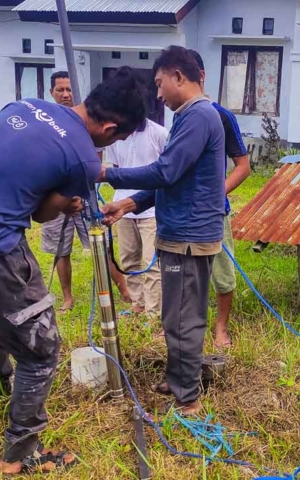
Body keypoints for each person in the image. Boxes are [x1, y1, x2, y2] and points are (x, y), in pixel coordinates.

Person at [0, 66, 147, 475]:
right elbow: (41, 214)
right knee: (40, 350)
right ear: (111, 127)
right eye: (120, 139)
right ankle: (20, 455)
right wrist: (68, 204)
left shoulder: (28, 105)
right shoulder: (82, 160)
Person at [99, 46, 226, 416]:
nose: (157, 95)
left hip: (189, 237)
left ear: (178, 77)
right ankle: (177, 377)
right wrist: (128, 203)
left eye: (159, 84)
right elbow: (172, 179)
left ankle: (188, 398)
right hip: (179, 232)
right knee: (174, 314)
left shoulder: (199, 116)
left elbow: (166, 171)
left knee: (184, 316)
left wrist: (107, 173)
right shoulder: (188, 118)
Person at [42, 71, 132, 311]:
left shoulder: (88, 123)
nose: (65, 94)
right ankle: (68, 298)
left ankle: (124, 291)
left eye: (69, 89)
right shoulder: (48, 120)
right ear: (51, 92)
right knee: (61, 250)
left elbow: (95, 162)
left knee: (99, 243)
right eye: (60, 89)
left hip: (85, 196)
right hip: (54, 196)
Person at [188, 49, 251, 348]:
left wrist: (217, 193)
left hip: (214, 212)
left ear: (200, 76)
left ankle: (221, 327)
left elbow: (243, 166)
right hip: (182, 213)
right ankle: (186, 327)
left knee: (223, 273)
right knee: (185, 275)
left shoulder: (221, 116)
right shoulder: (177, 118)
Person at [106, 117, 168, 317]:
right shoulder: (115, 136)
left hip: (151, 207)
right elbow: (117, 169)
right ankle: (137, 303)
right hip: (121, 207)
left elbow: (166, 171)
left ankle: (153, 312)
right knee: (128, 259)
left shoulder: (158, 133)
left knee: (151, 262)